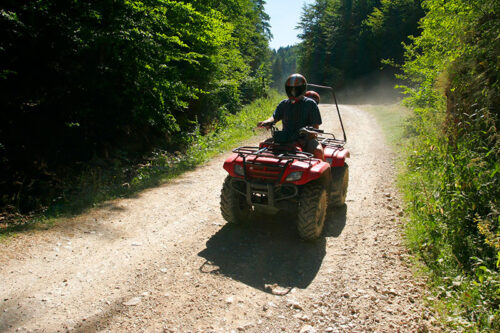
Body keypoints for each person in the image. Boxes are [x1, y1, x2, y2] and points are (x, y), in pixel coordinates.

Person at [257, 74, 324, 160]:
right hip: (285, 137)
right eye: (290, 89)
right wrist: (267, 122)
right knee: (263, 145)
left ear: (303, 89)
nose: (293, 92)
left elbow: (315, 127)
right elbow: (274, 117)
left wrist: (308, 135)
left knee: (318, 151)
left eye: (297, 89)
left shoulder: (310, 104)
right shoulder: (284, 104)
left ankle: (323, 172)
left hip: (306, 138)